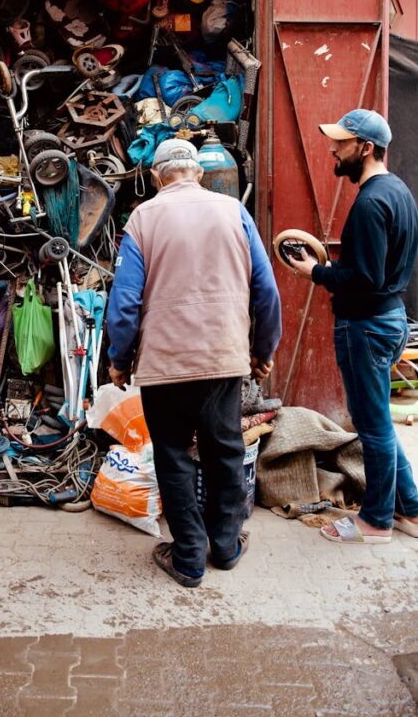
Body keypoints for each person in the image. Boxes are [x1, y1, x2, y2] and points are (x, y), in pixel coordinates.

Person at [106, 138, 282, 587]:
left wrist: (119, 360)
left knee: (173, 456)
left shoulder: (142, 218)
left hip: (165, 365)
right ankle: (224, 547)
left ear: (155, 176)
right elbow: (267, 291)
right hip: (224, 359)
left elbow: (124, 303)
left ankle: (187, 559)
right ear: (198, 174)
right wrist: (262, 351)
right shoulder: (233, 212)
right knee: (225, 452)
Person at [288, 108, 418, 545]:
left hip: (366, 325)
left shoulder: (369, 203)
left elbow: (365, 279)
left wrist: (316, 273)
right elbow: (377, 271)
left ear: (365, 148)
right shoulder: (398, 191)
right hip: (389, 317)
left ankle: (376, 521)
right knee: (381, 421)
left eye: (341, 143)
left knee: (374, 427)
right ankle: (411, 510)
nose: (332, 148)